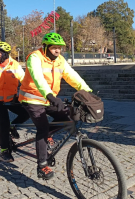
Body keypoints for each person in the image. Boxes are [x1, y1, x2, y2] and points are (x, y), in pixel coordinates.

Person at [19, 33, 92, 180]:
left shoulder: (60, 60)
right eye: (54, 48)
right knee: (43, 127)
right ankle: (42, 166)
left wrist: (87, 92)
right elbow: (38, 77)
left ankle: (48, 135)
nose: (57, 51)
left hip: (49, 99)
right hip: (32, 99)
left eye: (59, 48)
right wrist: (50, 96)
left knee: (67, 117)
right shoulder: (35, 57)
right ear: (45, 47)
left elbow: (73, 76)